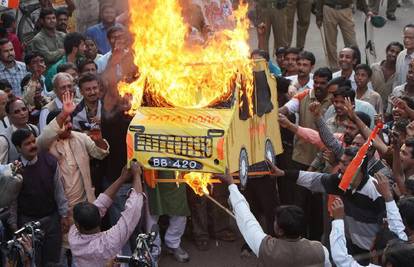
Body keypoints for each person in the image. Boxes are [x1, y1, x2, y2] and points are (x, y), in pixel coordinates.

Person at [216, 169, 331, 266]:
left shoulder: (266, 249)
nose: (273, 222)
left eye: (275, 221)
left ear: (279, 230)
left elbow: (247, 219)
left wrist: (231, 185)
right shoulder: (320, 250)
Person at [9, 128, 69, 266]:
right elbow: (13, 201)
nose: (33, 146)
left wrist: (64, 215)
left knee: (53, 261)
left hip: (52, 220)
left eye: (33, 141)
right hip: (28, 224)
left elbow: (59, 190)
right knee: (33, 261)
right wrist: (14, 226)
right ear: (18, 148)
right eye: (27, 144)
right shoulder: (14, 170)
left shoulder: (50, 162)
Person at [69, 162, 145, 267]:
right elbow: (133, 211)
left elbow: (101, 202)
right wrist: (136, 175)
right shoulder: (109, 242)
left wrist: (121, 178)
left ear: (77, 225)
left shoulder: (73, 236)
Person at [315, 0, 372, 70]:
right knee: (330, 42)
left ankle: (354, 67)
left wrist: (367, 10)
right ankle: (334, 68)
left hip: (346, 9)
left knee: (352, 43)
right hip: (329, 9)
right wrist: (319, 16)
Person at [0, 99, 39, 164]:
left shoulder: (34, 129)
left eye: (24, 109)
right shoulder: (4, 140)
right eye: (16, 112)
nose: (22, 113)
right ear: (9, 116)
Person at [371, 42, 404, 112]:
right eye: (392, 51)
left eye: (397, 53)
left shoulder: (400, 73)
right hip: (371, 107)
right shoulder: (374, 68)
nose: (394, 54)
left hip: (389, 113)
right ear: (387, 51)